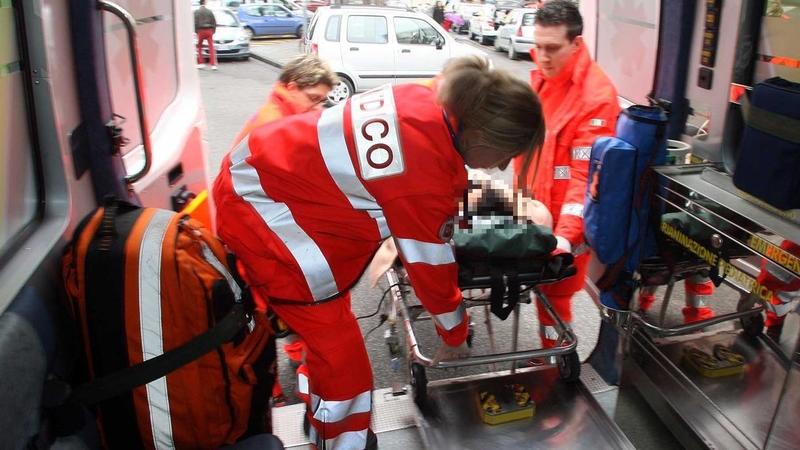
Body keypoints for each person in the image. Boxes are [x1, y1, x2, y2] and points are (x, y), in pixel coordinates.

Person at [213, 56, 544, 450]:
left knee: (325, 342)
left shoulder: (428, 95)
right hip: (269, 220)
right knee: (344, 363)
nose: (504, 165)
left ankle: (319, 420)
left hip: (259, 178)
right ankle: (346, 443)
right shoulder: (424, 178)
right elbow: (430, 269)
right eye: (506, 156)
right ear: (482, 139)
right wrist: (454, 331)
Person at [229, 54, 337, 406]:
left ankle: (290, 362)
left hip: (256, 230)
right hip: (259, 236)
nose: (318, 108)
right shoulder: (273, 126)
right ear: (291, 86)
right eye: (314, 99)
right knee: (277, 309)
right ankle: (280, 390)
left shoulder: (280, 115)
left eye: (323, 100)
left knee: (272, 312)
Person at [513, 0, 620, 348]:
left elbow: (585, 175)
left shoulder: (596, 99)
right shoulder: (546, 79)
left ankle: (555, 358)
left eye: (552, 48)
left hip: (564, 221)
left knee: (555, 297)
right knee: (542, 294)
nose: (542, 57)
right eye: (538, 46)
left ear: (576, 44)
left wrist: (566, 237)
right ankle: (553, 355)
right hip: (537, 209)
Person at [194, 0, 218, 70]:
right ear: (205, 3)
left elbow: (195, 22)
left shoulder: (196, 12)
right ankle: (213, 65)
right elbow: (214, 21)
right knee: (211, 47)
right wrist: (213, 31)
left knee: (199, 47)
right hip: (209, 30)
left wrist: (196, 31)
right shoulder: (209, 11)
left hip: (200, 30)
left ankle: (201, 63)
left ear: (199, 3)